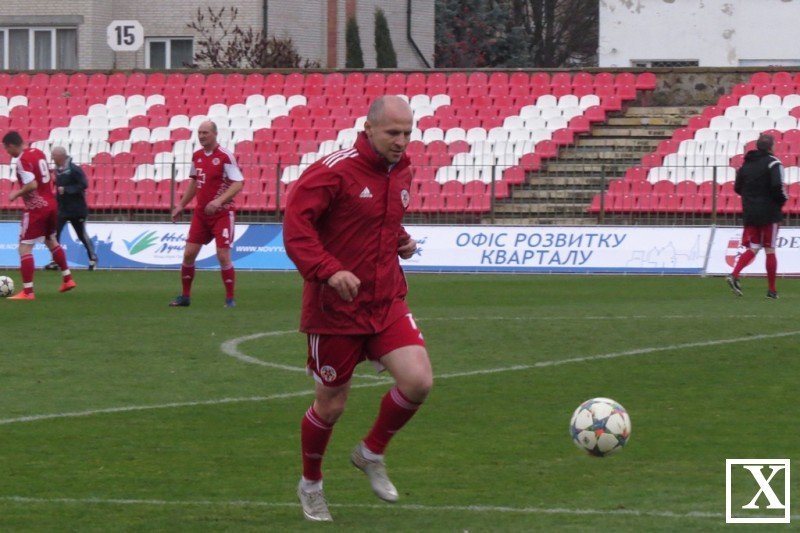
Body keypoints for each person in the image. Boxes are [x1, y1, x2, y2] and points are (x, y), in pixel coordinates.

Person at [283, 96, 433, 522]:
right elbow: (295, 227)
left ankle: (371, 452)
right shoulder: (333, 171)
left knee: (418, 382)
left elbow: (379, 219)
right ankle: (311, 483)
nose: (401, 141)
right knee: (331, 406)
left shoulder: (401, 170)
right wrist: (329, 270)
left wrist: (401, 240)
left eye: (407, 133)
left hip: (385, 301)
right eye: (393, 133)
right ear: (368, 129)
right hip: (335, 310)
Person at [169, 120, 243, 308]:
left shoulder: (225, 156)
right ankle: (185, 296)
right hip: (201, 214)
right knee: (188, 254)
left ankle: (230, 299)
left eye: (205, 133)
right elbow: (195, 182)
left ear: (215, 134)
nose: (201, 136)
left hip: (222, 214)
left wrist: (219, 201)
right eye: (200, 133)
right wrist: (181, 205)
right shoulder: (197, 156)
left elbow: (238, 183)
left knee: (222, 255)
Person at [2, 131, 76, 299]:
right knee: (51, 240)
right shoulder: (38, 152)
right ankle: (68, 278)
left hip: (36, 208)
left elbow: (32, 184)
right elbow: (51, 177)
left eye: (7, 149)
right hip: (51, 204)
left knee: (24, 248)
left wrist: (16, 194)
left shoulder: (22, 160)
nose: (8, 153)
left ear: (11, 145)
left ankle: (28, 292)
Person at [727, 133, 788, 299]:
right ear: (771, 147)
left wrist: (752, 199)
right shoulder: (774, 163)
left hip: (751, 212)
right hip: (769, 212)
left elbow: (737, 187)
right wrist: (781, 201)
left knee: (754, 247)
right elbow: (777, 186)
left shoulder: (746, 165)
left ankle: (734, 274)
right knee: (770, 249)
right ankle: (772, 290)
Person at [46, 146, 98, 270]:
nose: (52, 158)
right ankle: (55, 261)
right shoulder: (58, 171)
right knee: (55, 234)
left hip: (77, 209)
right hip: (62, 209)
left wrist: (67, 189)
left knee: (81, 235)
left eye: (53, 155)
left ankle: (93, 258)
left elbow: (84, 184)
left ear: (60, 156)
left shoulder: (75, 169)